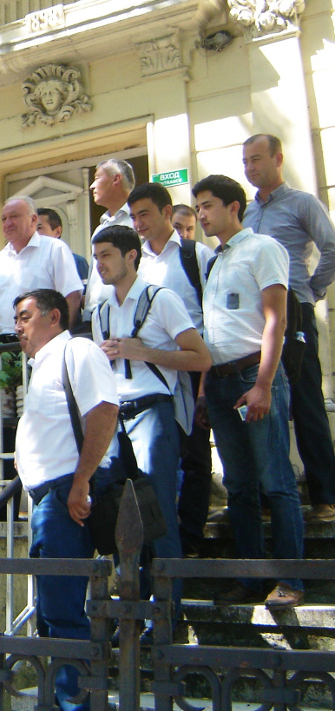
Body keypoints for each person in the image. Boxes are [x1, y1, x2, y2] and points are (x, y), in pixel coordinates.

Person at [193, 174, 305, 609]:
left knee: (276, 481)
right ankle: (251, 577)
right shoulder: (214, 261)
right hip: (221, 383)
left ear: (233, 206)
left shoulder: (263, 248)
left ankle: (291, 579)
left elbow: (276, 319)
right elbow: (213, 332)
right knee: (239, 486)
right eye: (198, 207)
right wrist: (205, 390)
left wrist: (263, 385)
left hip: (253, 377)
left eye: (207, 205)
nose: (201, 214)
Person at [92, 225, 211, 617]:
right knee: (117, 516)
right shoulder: (101, 310)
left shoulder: (161, 299)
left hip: (153, 412)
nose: (99, 264)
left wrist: (144, 353)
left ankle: (167, 615)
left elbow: (201, 358)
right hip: (114, 417)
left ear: (131, 256)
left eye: (106, 255)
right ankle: (133, 610)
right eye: (96, 256)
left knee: (157, 515)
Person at [12, 289, 118, 711]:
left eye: (25, 317)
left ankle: (77, 703)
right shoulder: (43, 364)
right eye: (16, 319)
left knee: (64, 611)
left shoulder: (78, 351)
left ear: (54, 316)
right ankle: (65, 698)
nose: (17, 327)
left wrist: (81, 482)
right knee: (51, 611)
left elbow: (104, 411)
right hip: (47, 500)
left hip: (65, 495)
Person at [242, 134, 335, 524]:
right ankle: (268, 498)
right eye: (246, 161)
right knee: (264, 402)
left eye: (257, 159)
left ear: (278, 159)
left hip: (293, 311)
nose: (250, 168)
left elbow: (332, 247)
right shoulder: (245, 212)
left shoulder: (302, 203)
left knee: (306, 400)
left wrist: (311, 290)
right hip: (255, 317)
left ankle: (325, 497)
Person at [129, 182, 215, 557]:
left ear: (167, 212)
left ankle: (191, 534)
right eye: (133, 217)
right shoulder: (136, 262)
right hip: (150, 371)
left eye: (144, 214)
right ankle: (160, 541)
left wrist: (205, 385)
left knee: (195, 456)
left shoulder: (197, 256)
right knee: (155, 460)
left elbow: (212, 320)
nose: (138, 223)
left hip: (192, 366)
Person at [0, 196, 82, 344]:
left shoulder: (54, 249)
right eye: (4, 219)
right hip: (4, 345)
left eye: (14, 216)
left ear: (33, 219)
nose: (8, 223)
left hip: (43, 342)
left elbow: (72, 296)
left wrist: (60, 341)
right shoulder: (0, 259)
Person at [82, 158, 136, 325]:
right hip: (94, 316)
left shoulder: (138, 223)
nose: (92, 186)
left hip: (126, 315)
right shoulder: (101, 228)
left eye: (97, 178)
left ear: (116, 179)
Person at [37, 207, 89, 284]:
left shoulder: (77, 261)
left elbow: (85, 290)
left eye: (39, 228)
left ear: (58, 231)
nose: (34, 234)